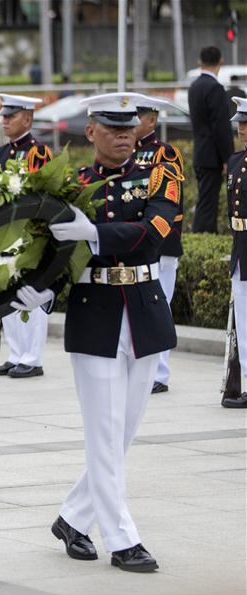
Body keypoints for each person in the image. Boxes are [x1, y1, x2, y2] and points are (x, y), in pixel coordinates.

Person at [43, 92, 181, 572]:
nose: (125, 135)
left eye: (129, 127)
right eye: (113, 127)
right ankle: (123, 539)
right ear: (91, 131)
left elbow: (154, 232)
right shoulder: (73, 186)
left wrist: (96, 235)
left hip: (144, 310)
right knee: (104, 432)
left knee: (122, 433)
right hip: (95, 312)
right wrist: (38, 290)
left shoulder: (157, 176)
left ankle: (72, 518)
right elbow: (54, 252)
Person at [0, 94, 53, 379]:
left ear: (27, 118)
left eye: (10, 116)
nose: (4, 121)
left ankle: (32, 358)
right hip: (6, 231)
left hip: (27, 231)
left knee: (29, 293)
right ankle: (15, 355)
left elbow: (41, 194)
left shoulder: (38, 152)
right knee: (8, 292)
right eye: (3, 116)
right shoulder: (3, 152)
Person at [133, 96, 186, 394]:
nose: (132, 123)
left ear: (152, 119)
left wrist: (162, 240)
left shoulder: (164, 153)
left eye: (138, 117)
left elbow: (172, 203)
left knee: (159, 306)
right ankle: (143, 369)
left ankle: (160, 373)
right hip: (136, 242)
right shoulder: (128, 152)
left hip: (160, 242)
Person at [188, 46, 234, 233]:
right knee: (209, 204)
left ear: (200, 62)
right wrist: (228, 159)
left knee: (205, 200)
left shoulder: (194, 86)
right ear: (221, 61)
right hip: (213, 156)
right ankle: (203, 236)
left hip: (200, 153)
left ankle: (201, 236)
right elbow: (221, 128)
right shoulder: (215, 88)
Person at [222, 97, 247, 408]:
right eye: (240, 123)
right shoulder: (236, 160)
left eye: (246, 123)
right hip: (240, 246)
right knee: (243, 320)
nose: (241, 128)